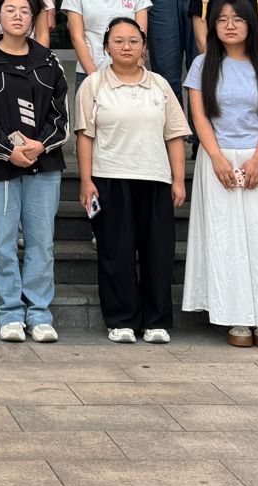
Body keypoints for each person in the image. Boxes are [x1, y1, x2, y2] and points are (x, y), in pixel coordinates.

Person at [182, 0, 258, 348]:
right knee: (225, 238)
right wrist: (216, 157)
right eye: (222, 20)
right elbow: (199, 115)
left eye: (237, 19)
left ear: (251, 24)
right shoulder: (203, 64)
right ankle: (235, 316)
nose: (230, 25)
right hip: (217, 159)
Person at [75, 17, 190, 344]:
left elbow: (174, 135)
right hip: (109, 178)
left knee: (158, 253)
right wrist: (85, 180)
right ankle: (121, 319)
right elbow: (85, 136)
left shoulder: (159, 85)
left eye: (133, 41)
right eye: (119, 41)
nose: (126, 47)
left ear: (144, 47)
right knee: (116, 252)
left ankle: (156, 321)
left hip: (155, 178)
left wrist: (178, 180)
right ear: (106, 46)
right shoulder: (94, 84)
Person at [0, 0, 69, 343]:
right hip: (0, 166)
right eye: (9, 9)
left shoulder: (49, 60)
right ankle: (10, 312)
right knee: (2, 242)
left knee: (41, 243)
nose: (17, 16)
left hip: (45, 164)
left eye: (25, 11)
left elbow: (62, 117)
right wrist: (8, 151)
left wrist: (40, 145)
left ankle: (39, 313)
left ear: (33, 18)